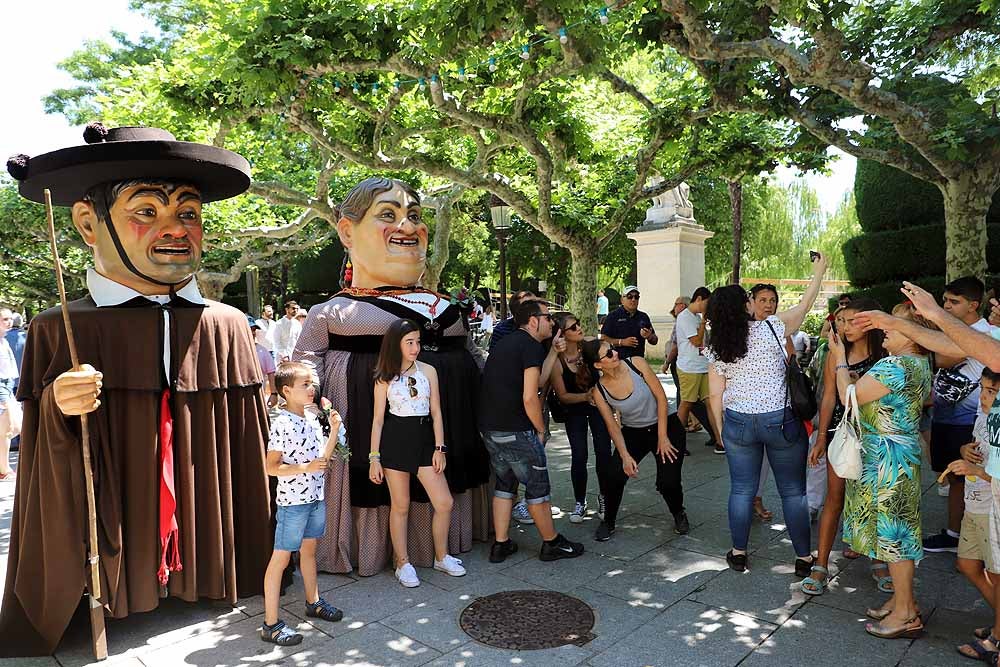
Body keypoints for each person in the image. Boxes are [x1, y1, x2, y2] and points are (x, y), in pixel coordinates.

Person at [0, 123, 271, 656]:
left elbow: (242, 443)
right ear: (86, 223)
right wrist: (57, 402)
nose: (174, 228)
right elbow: (41, 456)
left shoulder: (228, 323)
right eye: (146, 211)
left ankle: (204, 575)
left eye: (187, 213)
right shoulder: (60, 326)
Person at [294, 176, 490, 576]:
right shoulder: (332, 313)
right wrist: (308, 408)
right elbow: (305, 363)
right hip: (378, 431)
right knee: (392, 492)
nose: (407, 226)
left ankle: (439, 548)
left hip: (440, 429)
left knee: (439, 486)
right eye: (389, 214)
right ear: (347, 231)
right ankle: (390, 553)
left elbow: (472, 356)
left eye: (413, 216)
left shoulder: (446, 304)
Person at [705, 252, 828, 574]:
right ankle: (803, 557)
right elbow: (806, 304)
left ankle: (739, 551)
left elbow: (714, 394)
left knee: (742, 490)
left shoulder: (717, 345)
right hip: (781, 420)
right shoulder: (772, 327)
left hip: (738, 423)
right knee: (793, 491)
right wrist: (820, 270)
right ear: (742, 305)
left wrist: (720, 432)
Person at [830, 302, 931, 639]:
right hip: (898, 455)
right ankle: (904, 601)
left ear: (913, 333)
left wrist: (840, 359)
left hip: (887, 462)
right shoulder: (918, 363)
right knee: (895, 532)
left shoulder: (895, 366)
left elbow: (850, 398)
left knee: (894, 536)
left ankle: (905, 614)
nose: (884, 326)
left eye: (893, 323)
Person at [479, 299, 584, 562]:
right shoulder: (528, 346)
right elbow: (530, 396)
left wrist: (552, 353)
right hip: (517, 428)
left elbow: (536, 380)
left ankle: (500, 544)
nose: (552, 322)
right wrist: (539, 429)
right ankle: (551, 543)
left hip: (491, 428)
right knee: (538, 487)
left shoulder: (509, 343)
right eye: (548, 317)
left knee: (505, 484)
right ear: (534, 320)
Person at [800, 297, 889, 596]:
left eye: (852, 321)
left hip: (874, 433)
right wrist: (821, 437)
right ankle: (821, 565)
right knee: (834, 499)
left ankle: (878, 561)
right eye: (842, 321)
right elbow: (828, 397)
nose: (845, 326)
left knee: (871, 499)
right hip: (842, 431)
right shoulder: (835, 353)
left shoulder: (884, 353)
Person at [369, 319, 467, 587]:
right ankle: (402, 562)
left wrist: (440, 447)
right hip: (395, 442)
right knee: (400, 506)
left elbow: (436, 412)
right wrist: (374, 457)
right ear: (396, 344)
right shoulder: (383, 376)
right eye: (409, 342)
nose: (415, 347)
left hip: (425, 441)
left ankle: (441, 556)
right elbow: (378, 419)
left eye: (418, 341)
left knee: (444, 502)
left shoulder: (429, 370)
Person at [261, 362, 344, 646]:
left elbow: (321, 460)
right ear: (286, 391)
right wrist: (303, 468)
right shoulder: (282, 422)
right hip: (293, 503)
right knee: (281, 559)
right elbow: (271, 467)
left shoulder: (310, 417)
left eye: (311, 383)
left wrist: (334, 430)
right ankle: (270, 624)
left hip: (314, 498)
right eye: (304, 385)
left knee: (309, 551)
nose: (311, 389)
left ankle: (314, 601)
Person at [584, 338, 688, 540]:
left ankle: (679, 513)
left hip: (666, 424)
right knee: (614, 475)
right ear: (598, 365)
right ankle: (609, 521)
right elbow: (612, 426)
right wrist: (624, 456)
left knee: (668, 482)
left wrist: (663, 437)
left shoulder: (636, 363)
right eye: (608, 354)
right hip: (634, 431)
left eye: (612, 349)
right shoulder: (600, 390)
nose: (614, 354)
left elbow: (661, 399)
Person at [924, 276, 989, 554]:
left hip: (971, 422)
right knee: (953, 477)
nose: (946, 306)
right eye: (944, 301)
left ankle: (965, 538)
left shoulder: (988, 334)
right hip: (944, 415)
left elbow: (940, 358)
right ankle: (956, 533)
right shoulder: (948, 330)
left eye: (954, 302)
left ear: (973, 305)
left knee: (967, 478)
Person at [949, 368, 1000, 659]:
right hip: (975, 503)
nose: (984, 396)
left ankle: (996, 638)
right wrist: (964, 450)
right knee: (968, 563)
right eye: (982, 388)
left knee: (997, 572)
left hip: (993, 507)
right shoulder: (983, 415)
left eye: (992, 391)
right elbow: (973, 446)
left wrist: (975, 471)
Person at [550, 313, 613, 523]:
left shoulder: (588, 347)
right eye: (573, 327)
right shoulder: (557, 361)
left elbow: (608, 368)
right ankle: (580, 501)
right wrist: (585, 396)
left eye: (578, 323)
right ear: (562, 334)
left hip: (598, 407)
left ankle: (605, 497)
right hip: (575, 409)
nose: (579, 328)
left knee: (604, 451)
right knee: (579, 455)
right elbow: (563, 396)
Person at [747, 283, 798, 520]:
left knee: (767, 459)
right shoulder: (742, 329)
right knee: (749, 461)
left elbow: (791, 358)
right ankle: (749, 498)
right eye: (763, 300)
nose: (768, 305)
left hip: (775, 406)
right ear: (752, 302)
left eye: (772, 300)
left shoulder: (779, 327)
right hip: (745, 408)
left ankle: (755, 497)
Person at [675, 287, 722, 455]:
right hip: (689, 367)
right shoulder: (685, 317)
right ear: (699, 299)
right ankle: (677, 443)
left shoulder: (694, 317)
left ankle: (720, 441)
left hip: (702, 365)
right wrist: (703, 322)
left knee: (711, 402)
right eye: (707, 304)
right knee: (686, 403)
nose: (708, 308)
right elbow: (695, 341)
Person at [601, 285, 658, 359]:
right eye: (629, 296)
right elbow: (603, 338)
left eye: (636, 297)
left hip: (638, 362)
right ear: (622, 300)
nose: (633, 299)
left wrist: (649, 336)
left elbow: (655, 341)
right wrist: (621, 342)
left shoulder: (643, 316)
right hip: (618, 361)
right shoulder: (613, 316)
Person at [0, 308, 19, 480]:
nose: (9, 322)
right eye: (5, 319)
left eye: (10, 319)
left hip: (9, 384)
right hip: (1, 387)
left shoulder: (4, 341)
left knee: (17, 426)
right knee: (6, 430)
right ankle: (4, 470)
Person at [249, 315, 278, 408]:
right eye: (249, 329)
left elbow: (271, 373)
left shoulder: (262, 351)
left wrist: (273, 394)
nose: (252, 333)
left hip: (258, 397)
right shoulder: (232, 350)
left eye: (253, 330)